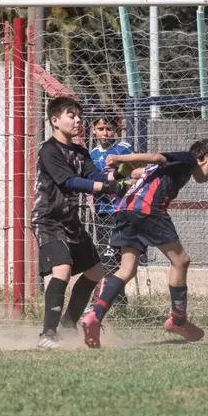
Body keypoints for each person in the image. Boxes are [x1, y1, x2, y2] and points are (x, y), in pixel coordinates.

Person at [80, 138, 208, 347]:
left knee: (127, 270)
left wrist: (129, 169)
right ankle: (178, 320)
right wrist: (120, 158)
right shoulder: (187, 159)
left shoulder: (170, 169)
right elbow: (157, 157)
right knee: (181, 261)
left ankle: (94, 315)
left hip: (126, 209)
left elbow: (139, 173)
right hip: (149, 210)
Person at [30, 99, 131, 349]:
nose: (78, 120)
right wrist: (106, 187)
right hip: (48, 220)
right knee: (62, 269)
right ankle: (48, 334)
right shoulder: (49, 151)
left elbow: (94, 175)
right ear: (55, 121)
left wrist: (119, 174)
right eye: (71, 115)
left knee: (96, 272)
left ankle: (68, 324)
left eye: (79, 116)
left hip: (70, 220)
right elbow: (69, 182)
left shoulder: (80, 151)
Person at [88, 115, 134, 304]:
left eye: (109, 129)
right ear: (93, 130)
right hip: (101, 210)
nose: (105, 133)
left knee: (113, 253)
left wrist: (119, 172)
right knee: (105, 252)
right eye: (100, 129)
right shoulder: (92, 154)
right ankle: (117, 299)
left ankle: (110, 299)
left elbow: (134, 174)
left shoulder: (123, 149)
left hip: (120, 209)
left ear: (115, 129)